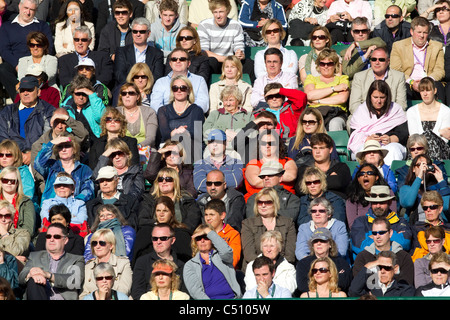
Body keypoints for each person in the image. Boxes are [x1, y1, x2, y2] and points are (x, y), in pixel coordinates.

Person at [0, 0, 54, 100]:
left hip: (37, 61)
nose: (28, 12)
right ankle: (19, 98)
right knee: (2, 69)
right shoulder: (7, 26)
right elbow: (4, 50)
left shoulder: (42, 25)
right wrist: (17, 65)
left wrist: (37, 62)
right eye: (26, 8)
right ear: (20, 6)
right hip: (15, 64)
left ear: (36, 11)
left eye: (32, 9)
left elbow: (48, 47)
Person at [348, 80, 409, 166]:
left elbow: (403, 132)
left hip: (390, 145)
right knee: (365, 150)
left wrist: (391, 139)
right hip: (368, 144)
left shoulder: (395, 109)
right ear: (370, 96)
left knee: (393, 149)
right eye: (375, 97)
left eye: (382, 97)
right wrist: (367, 139)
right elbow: (354, 133)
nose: (379, 101)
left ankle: (388, 176)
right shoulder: (361, 110)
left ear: (387, 97)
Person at [18, 223, 85, 300]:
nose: (51, 239)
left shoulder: (76, 259)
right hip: (38, 296)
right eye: (48, 236)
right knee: (34, 279)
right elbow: (21, 277)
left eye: (56, 237)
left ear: (65, 240)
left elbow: (75, 280)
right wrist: (31, 274)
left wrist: (48, 275)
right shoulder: (35, 256)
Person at [30, 106, 88, 191]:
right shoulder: (38, 144)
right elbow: (37, 171)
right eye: (57, 122)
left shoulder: (71, 139)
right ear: (51, 123)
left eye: (63, 122)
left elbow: (83, 134)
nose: (60, 126)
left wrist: (67, 118)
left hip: (73, 184)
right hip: (49, 184)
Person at [390, 16, 446, 103]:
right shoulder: (398, 46)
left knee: (438, 86)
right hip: (409, 82)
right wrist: (412, 82)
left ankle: (442, 114)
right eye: (419, 32)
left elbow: (440, 71)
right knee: (402, 86)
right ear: (411, 31)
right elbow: (395, 70)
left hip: (430, 81)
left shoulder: (436, 46)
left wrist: (427, 81)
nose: (422, 35)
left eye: (425, 32)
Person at [0, 76, 54, 164]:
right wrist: (16, 153)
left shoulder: (48, 110)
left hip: (39, 157)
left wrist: (32, 153)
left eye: (30, 90)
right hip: (12, 157)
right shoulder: (7, 111)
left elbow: (49, 136)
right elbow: (2, 136)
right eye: (22, 90)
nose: (25, 93)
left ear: (38, 92)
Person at [197, 0, 254, 82]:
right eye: (215, 12)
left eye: (221, 12)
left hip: (231, 62)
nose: (218, 16)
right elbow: (204, 52)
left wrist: (240, 53)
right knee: (210, 61)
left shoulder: (235, 25)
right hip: (215, 61)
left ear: (227, 11)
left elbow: (239, 47)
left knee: (249, 64)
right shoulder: (204, 25)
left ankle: (249, 89)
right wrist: (225, 59)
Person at [350, 185, 413, 259]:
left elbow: (405, 243)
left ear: (389, 202)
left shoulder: (400, 222)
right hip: (367, 265)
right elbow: (361, 247)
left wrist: (372, 237)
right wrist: (390, 237)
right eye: (374, 203)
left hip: (394, 266)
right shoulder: (360, 222)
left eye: (382, 202)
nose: (378, 206)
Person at [241, 187, 297, 269]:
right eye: (260, 202)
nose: (263, 205)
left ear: (275, 204)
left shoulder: (288, 223)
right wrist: (266, 269)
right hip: (256, 269)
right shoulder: (248, 224)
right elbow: (249, 255)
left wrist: (275, 268)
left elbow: (290, 255)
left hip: (282, 269)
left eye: (267, 202)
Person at [183, 224, 242, 299]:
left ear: (212, 239)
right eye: (199, 238)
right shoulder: (190, 265)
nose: (202, 240)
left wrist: (208, 231)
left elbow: (227, 252)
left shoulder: (222, 257)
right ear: (195, 242)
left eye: (206, 237)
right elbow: (195, 291)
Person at [131, 223, 188, 299]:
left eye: (163, 238)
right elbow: (137, 291)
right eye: (155, 238)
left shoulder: (181, 265)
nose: (158, 242)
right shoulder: (142, 262)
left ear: (172, 240)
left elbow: (184, 292)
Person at [352, 217, 415, 286]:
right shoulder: (362, 257)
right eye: (374, 233)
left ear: (390, 233)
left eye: (381, 232)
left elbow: (407, 287)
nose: (377, 236)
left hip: (394, 296)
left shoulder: (404, 257)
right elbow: (356, 286)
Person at [156, 75, 205, 163]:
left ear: (189, 90)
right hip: (169, 145)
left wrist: (186, 133)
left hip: (190, 146)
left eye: (183, 88)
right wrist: (174, 132)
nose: (179, 90)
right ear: (172, 91)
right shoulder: (163, 110)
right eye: (175, 88)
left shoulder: (197, 110)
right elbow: (164, 135)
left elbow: (198, 135)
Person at [34, 136, 94, 205]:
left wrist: (74, 203)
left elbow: (88, 191)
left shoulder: (84, 169)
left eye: (67, 146)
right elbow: (38, 164)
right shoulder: (51, 166)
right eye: (60, 147)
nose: (63, 150)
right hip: (51, 209)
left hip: (75, 210)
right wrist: (51, 143)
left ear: (74, 149)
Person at [138, 167, 202, 231]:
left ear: (175, 182)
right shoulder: (149, 200)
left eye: (168, 179)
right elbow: (142, 220)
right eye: (160, 179)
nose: (164, 182)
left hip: (180, 234)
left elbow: (191, 223)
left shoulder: (187, 200)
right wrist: (159, 225)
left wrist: (176, 230)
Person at [348, 47, 408, 116]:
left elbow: (401, 104)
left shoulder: (398, 77)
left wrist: (384, 117)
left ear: (388, 61)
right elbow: (354, 105)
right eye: (374, 59)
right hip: (365, 116)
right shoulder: (359, 77)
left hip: (390, 116)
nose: (377, 62)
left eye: (381, 60)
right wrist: (371, 116)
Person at [132, 196, 192, 263]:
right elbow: (137, 255)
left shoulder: (181, 233)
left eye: (165, 211)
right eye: (158, 210)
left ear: (172, 213)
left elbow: (186, 258)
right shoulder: (145, 231)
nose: (161, 214)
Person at [296, 227, 352, 295]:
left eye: (322, 241)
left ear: (330, 244)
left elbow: (344, 283)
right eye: (315, 241)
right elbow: (303, 286)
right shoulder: (303, 264)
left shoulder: (341, 263)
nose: (318, 243)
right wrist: (331, 282)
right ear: (312, 245)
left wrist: (318, 283)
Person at [303, 48, 349, 131]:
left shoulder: (342, 79)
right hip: (316, 113)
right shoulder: (311, 78)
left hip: (337, 113)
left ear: (335, 65)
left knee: (335, 123)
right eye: (322, 64)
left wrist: (318, 101)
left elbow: (342, 99)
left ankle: (335, 144)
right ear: (318, 65)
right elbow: (310, 95)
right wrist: (334, 88)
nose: (326, 66)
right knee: (315, 122)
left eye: (329, 64)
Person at [152, 48, 210, 114]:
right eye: (174, 59)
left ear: (189, 63)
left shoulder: (199, 80)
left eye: (182, 59)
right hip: (167, 118)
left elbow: (204, 104)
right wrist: (170, 115)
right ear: (170, 64)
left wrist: (187, 114)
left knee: (198, 122)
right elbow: (155, 105)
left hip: (193, 116)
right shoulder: (160, 82)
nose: (178, 61)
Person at [296, 133, 352, 199]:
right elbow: (300, 189)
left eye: (321, 148)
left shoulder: (340, 167)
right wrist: (330, 179)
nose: (317, 152)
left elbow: (338, 183)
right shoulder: (304, 169)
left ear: (330, 150)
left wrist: (311, 184)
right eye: (315, 148)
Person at [79, 229, 133, 299]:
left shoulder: (123, 263)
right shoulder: (88, 267)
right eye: (94, 243)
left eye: (102, 243)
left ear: (111, 246)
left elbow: (124, 290)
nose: (97, 246)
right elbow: (83, 293)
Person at [244, 130, 297, 200]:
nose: (267, 146)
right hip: (258, 201)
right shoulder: (253, 163)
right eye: (263, 143)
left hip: (284, 200)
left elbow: (291, 176)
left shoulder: (287, 161)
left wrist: (265, 179)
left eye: (270, 143)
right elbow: (255, 181)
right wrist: (278, 179)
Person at [407, 77, 450, 160]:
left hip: (441, 150)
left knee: (429, 136)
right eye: (422, 91)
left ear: (435, 91)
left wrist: (431, 135)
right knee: (417, 143)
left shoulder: (446, 111)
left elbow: (445, 139)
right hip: (418, 149)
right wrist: (439, 132)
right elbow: (414, 136)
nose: (425, 94)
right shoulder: (412, 111)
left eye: (428, 90)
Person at [399, 153, 450, 224]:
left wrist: (441, 180)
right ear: (413, 169)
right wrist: (419, 177)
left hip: (438, 226)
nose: (423, 168)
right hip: (416, 227)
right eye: (419, 165)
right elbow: (408, 203)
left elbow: (446, 207)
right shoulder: (406, 188)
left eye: (426, 165)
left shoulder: (438, 187)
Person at [246, 162, 301, 226]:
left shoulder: (291, 198)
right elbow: (252, 221)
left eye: (270, 175)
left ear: (280, 178)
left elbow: (288, 220)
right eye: (263, 176)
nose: (266, 178)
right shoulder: (254, 198)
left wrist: (265, 213)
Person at [114, 17, 165, 86]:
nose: (138, 34)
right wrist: (134, 87)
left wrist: (144, 87)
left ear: (148, 34)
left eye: (142, 32)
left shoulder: (157, 54)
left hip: (149, 90)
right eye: (135, 31)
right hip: (127, 89)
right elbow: (119, 75)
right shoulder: (122, 51)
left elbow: (157, 76)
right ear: (132, 33)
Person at [87, 166, 140, 230]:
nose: (105, 183)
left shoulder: (131, 201)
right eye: (101, 181)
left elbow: (132, 226)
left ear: (117, 180)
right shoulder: (91, 205)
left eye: (108, 180)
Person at [346, 163, 396, 229]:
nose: (365, 175)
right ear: (358, 179)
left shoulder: (388, 193)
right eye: (362, 174)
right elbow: (352, 226)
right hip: (362, 234)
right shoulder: (353, 197)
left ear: (376, 177)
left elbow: (393, 217)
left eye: (369, 173)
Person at [244, 230, 296, 294]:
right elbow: (251, 290)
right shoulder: (251, 266)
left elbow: (287, 291)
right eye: (265, 246)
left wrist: (266, 292)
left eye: (272, 246)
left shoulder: (289, 268)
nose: (268, 249)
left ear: (279, 248)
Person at [204, 86, 254, 152]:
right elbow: (206, 132)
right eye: (225, 100)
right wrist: (224, 132)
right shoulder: (215, 114)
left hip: (241, 149)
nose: (228, 104)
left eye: (231, 100)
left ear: (238, 101)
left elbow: (253, 133)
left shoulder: (248, 115)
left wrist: (238, 136)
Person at [59, 74, 106, 143]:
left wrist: (92, 95)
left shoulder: (94, 104)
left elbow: (101, 118)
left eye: (84, 94)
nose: (81, 97)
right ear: (72, 93)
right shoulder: (66, 107)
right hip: (73, 143)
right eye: (78, 94)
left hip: (94, 142)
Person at [193, 129, 244, 194]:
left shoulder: (236, 162)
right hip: (208, 201)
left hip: (231, 200)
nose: (215, 144)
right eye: (211, 142)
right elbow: (200, 185)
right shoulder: (200, 163)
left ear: (226, 144)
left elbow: (236, 182)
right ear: (208, 145)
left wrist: (210, 184)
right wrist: (222, 184)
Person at [348, 250, 416, 297]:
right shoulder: (370, 289)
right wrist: (368, 266)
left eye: (387, 268)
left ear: (395, 269)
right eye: (379, 267)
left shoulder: (405, 290)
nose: (383, 271)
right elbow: (353, 291)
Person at [340, 17, 387, 81]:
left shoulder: (376, 43)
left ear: (369, 31)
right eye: (356, 31)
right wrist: (364, 58)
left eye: (364, 31)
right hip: (358, 84)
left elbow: (382, 43)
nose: (360, 34)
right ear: (352, 33)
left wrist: (356, 44)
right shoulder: (346, 52)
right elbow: (348, 73)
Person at [116, 82, 159, 152]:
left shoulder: (149, 112)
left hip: (145, 149)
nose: (127, 96)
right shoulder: (116, 112)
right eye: (124, 93)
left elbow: (151, 138)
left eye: (131, 93)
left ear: (138, 97)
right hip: (122, 150)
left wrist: (137, 146)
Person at [410, 192, 450, 262]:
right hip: (423, 265)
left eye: (432, 207)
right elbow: (416, 252)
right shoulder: (416, 228)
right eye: (425, 208)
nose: (428, 210)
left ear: (440, 209)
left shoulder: (448, 229)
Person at [203, 199, 241, 268]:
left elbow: (233, 260)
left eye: (212, 215)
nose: (208, 218)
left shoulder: (233, 234)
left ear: (222, 215)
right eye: (206, 215)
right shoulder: (201, 233)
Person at [0, 166, 36, 239]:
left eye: (13, 181)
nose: (9, 183)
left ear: (17, 183)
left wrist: (8, 236)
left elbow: (29, 230)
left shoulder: (26, 202)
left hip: (18, 241)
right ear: (0, 181)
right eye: (5, 180)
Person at [0, 139, 37, 207]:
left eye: (8, 155)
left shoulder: (23, 172)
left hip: (22, 207)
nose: (4, 157)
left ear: (16, 157)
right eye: (1, 155)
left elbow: (28, 195)